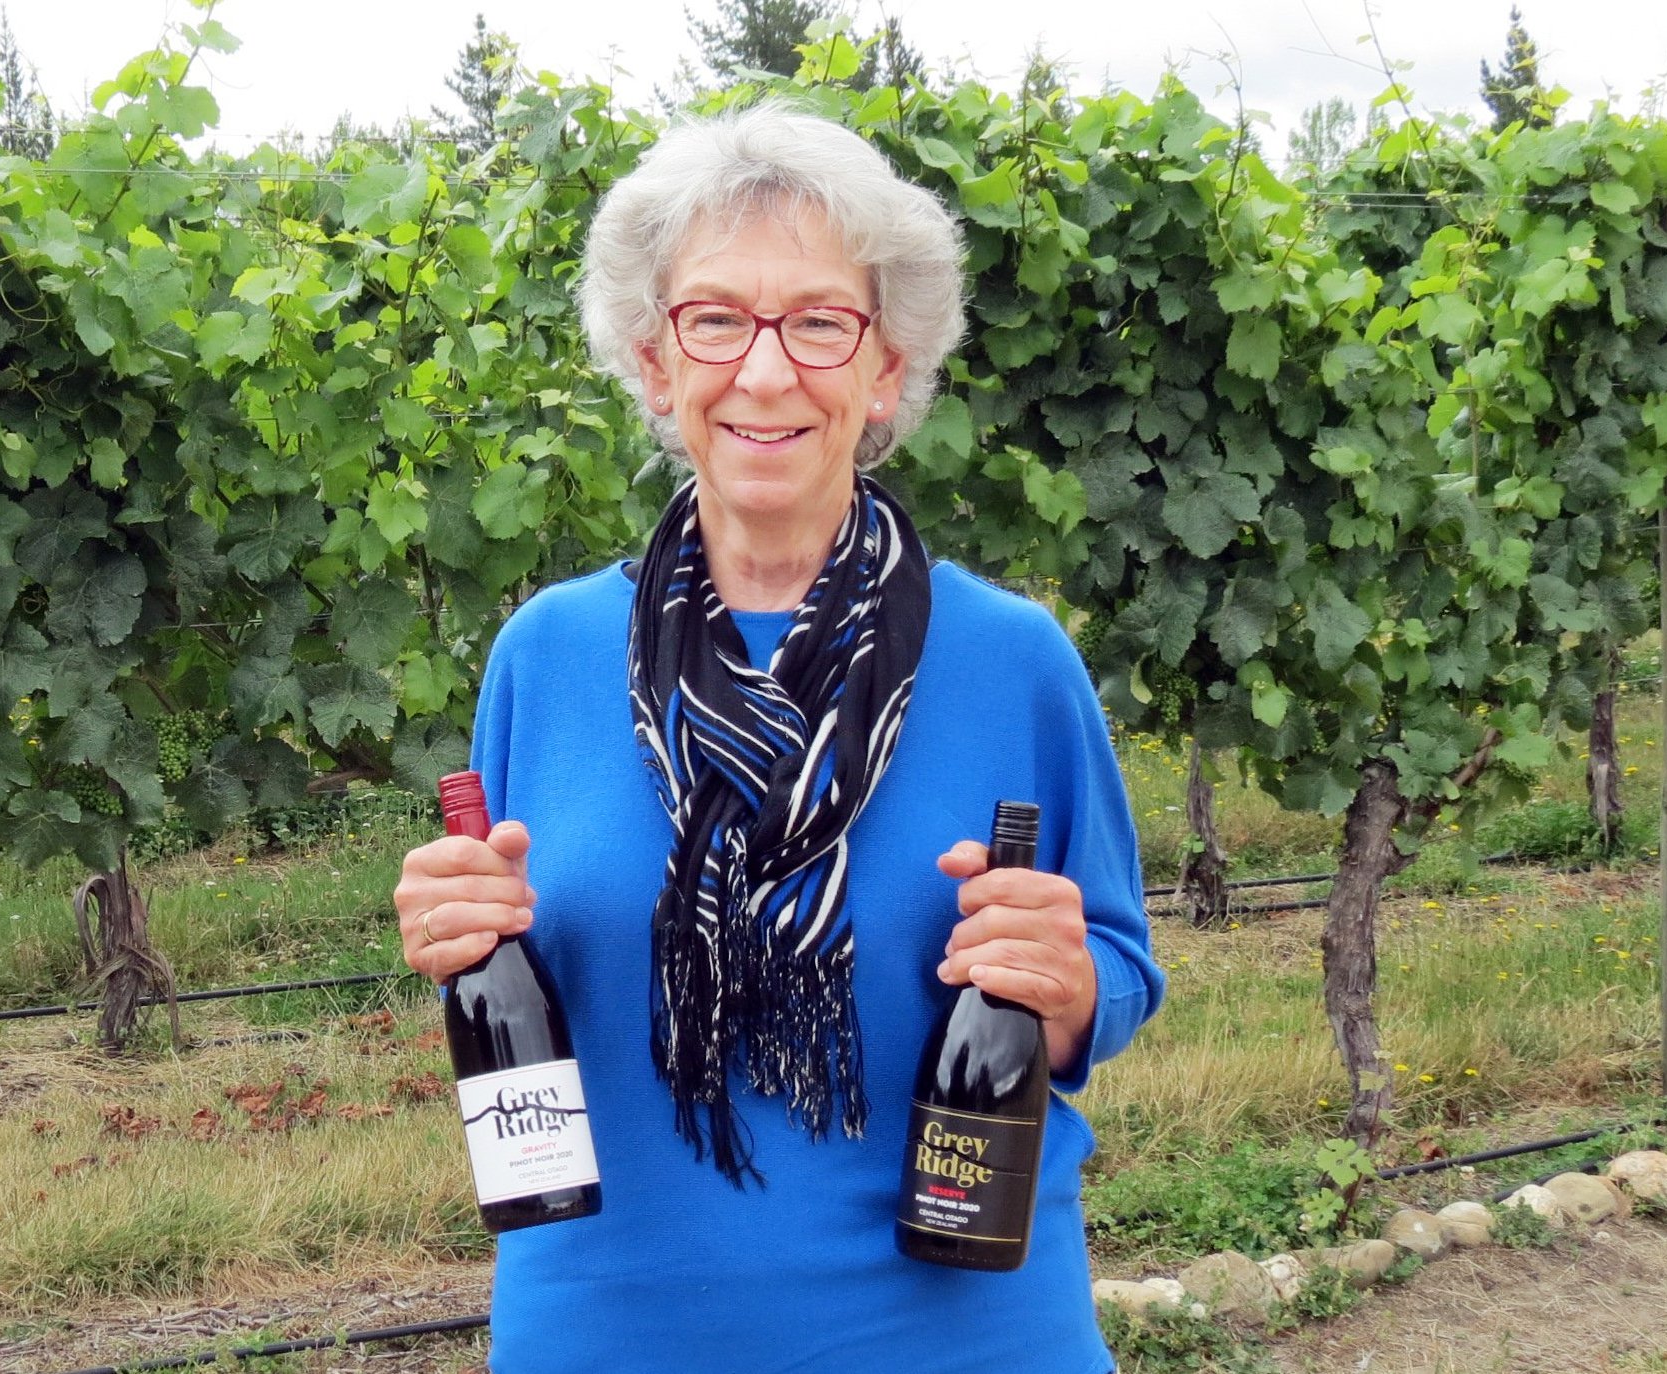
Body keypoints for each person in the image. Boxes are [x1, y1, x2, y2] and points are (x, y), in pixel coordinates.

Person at [391, 103, 1164, 1373]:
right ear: (655, 364)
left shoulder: (1014, 659)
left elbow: (1117, 968)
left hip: (961, 1335)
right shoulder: (548, 653)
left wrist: (1073, 991)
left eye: (819, 322)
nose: (764, 371)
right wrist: (460, 921)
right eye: (716, 321)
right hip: (607, 1331)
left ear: (887, 371)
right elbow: (512, 969)